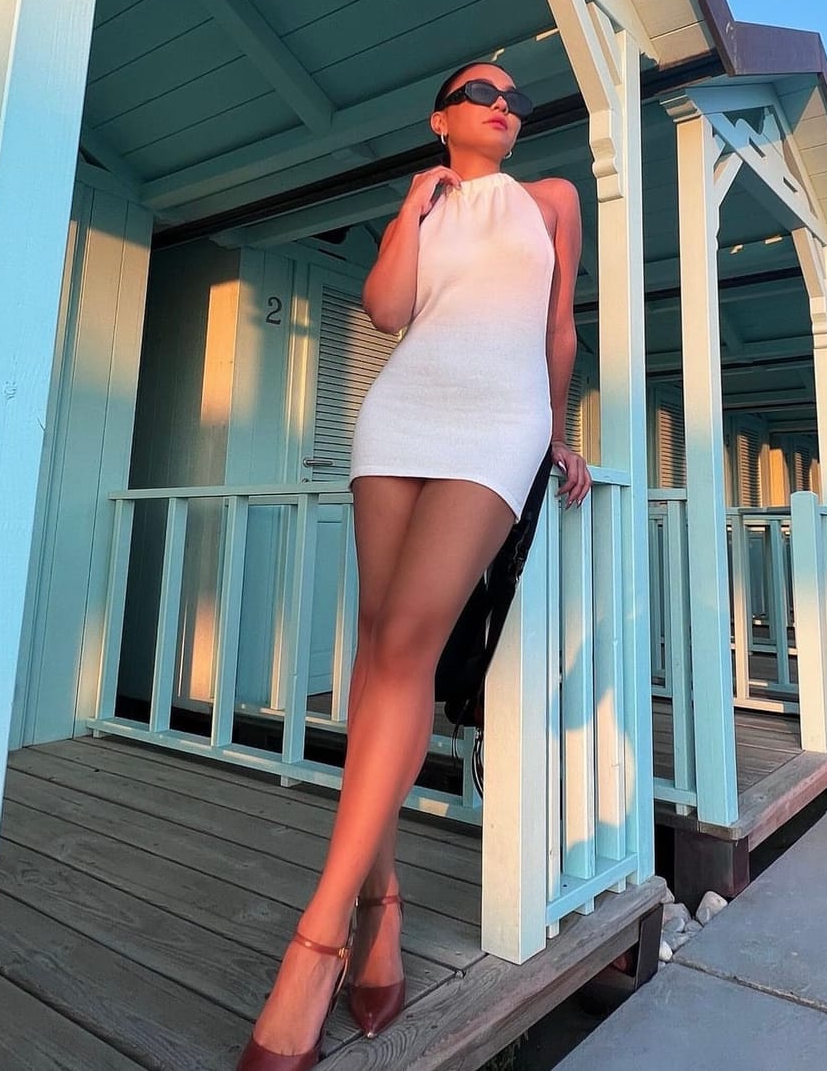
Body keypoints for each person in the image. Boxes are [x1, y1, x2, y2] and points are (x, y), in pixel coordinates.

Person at [236, 60, 590, 1070]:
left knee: (404, 643)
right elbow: (387, 310)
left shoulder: (552, 199)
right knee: (376, 650)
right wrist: (408, 207)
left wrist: (555, 432)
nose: (505, 106)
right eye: (483, 94)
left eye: (516, 99)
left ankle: (317, 937)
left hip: (498, 420)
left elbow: (559, 327)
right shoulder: (426, 203)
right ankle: (381, 901)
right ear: (441, 118)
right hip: (398, 415)